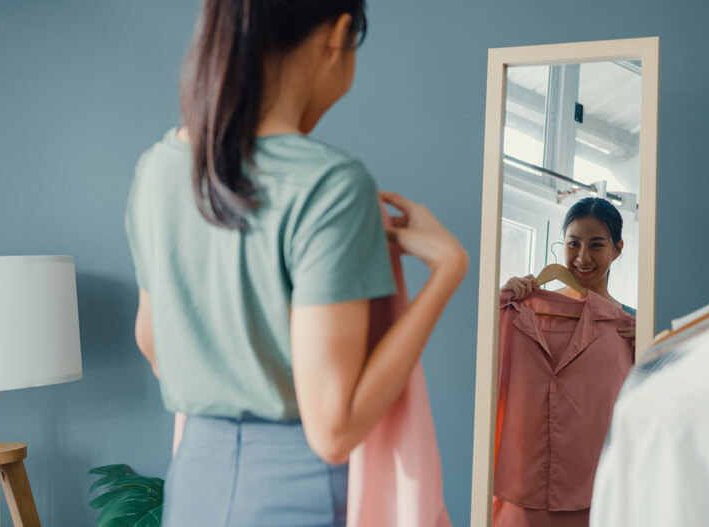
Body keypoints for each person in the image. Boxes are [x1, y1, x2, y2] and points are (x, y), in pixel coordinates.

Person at [124, 1, 467, 525]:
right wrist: (447, 272)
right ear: (340, 34)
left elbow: (153, 344)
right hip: (296, 492)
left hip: (194, 482)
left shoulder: (158, 170)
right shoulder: (330, 184)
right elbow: (333, 431)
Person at [501, 196, 635, 344]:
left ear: (617, 249)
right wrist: (499, 301)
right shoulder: (521, 307)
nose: (583, 258)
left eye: (596, 245)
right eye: (573, 243)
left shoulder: (634, 324)